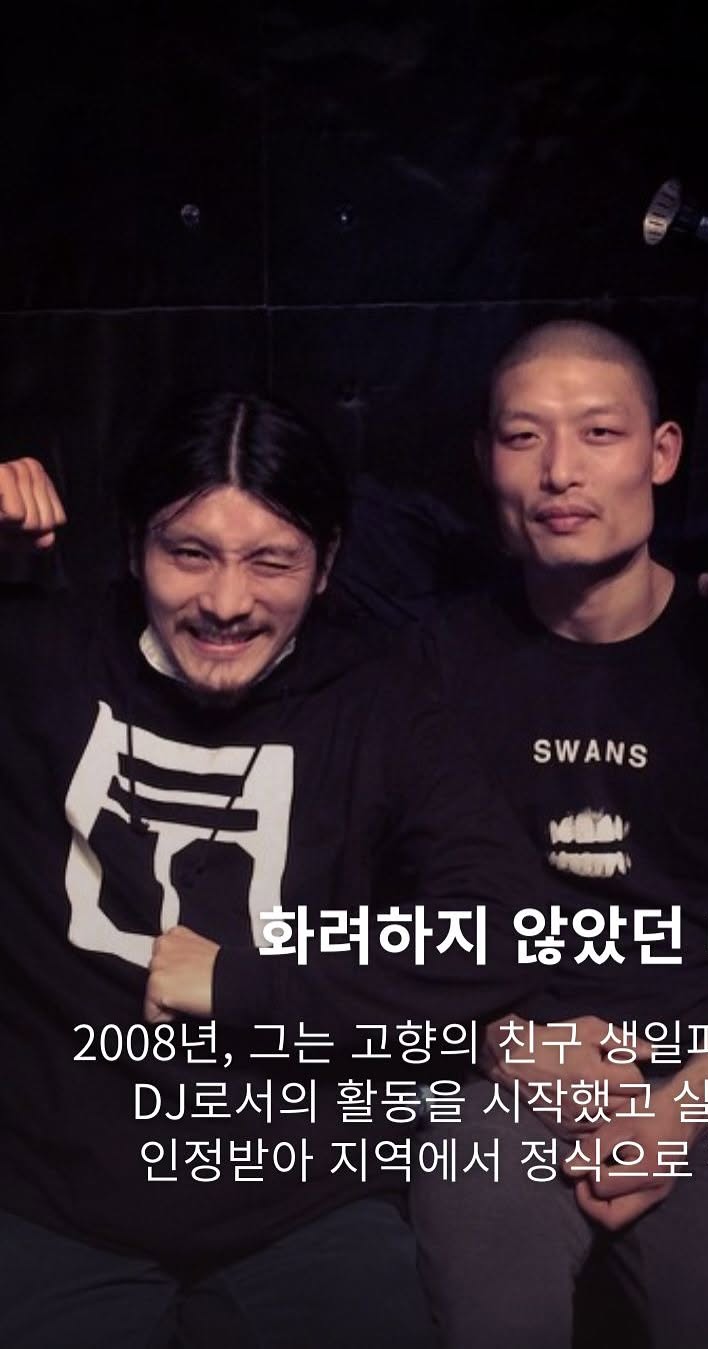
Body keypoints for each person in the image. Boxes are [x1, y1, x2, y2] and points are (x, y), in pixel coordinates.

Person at [0, 392, 541, 1348]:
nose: (225, 602)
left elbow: (503, 928)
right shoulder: (42, 657)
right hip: (52, 1207)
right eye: (190, 553)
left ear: (325, 565)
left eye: (271, 561)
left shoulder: (380, 698)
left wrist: (243, 982)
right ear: (132, 547)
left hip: (305, 1208)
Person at [408, 320, 708, 1349]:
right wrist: (502, 1042)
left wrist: (679, 1109)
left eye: (599, 432)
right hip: (501, 1056)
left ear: (661, 451)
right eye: (524, 436)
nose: (560, 470)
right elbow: (391, 904)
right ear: (485, 459)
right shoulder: (430, 662)